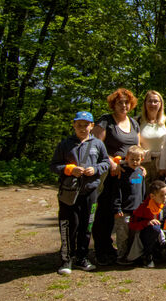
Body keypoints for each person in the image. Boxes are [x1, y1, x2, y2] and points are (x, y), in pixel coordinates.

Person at [50, 111, 110, 275]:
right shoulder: (65, 144)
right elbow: (54, 166)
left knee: (87, 225)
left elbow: (105, 162)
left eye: (86, 125)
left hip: (90, 191)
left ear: (92, 126)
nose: (82, 128)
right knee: (69, 225)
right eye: (79, 125)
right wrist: (69, 170)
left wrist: (96, 169)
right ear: (74, 125)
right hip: (69, 192)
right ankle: (66, 259)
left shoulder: (98, 144)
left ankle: (82, 257)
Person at [92, 88, 141, 265]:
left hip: (129, 175)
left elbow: (138, 147)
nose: (124, 105)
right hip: (111, 172)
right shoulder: (106, 121)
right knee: (105, 210)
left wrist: (139, 166)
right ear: (113, 104)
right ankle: (101, 249)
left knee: (125, 211)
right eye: (120, 102)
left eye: (127, 102)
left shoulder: (134, 123)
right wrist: (112, 162)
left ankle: (119, 248)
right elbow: (96, 145)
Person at [129, 180, 166, 268]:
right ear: (152, 196)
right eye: (162, 195)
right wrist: (147, 223)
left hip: (162, 234)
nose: (165, 197)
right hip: (147, 235)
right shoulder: (143, 207)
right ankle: (148, 256)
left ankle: (164, 252)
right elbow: (132, 224)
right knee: (155, 227)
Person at [110, 145, 146, 265]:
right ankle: (121, 256)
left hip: (137, 210)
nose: (135, 162)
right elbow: (117, 192)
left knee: (134, 234)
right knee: (122, 234)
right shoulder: (123, 173)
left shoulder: (140, 172)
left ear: (142, 159)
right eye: (132, 159)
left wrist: (143, 206)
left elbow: (142, 191)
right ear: (127, 158)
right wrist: (117, 208)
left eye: (137, 159)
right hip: (124, 210)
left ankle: (132, 255)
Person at [138, 90, 166, 184]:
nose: (152, 104)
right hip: (143, 163)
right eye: (150, 101)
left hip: (161, 164)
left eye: (156, 101)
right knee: (142, 190)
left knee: (159, 193)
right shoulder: (137, 121)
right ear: (145, 103)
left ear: (161, 104)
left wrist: (164, 166)